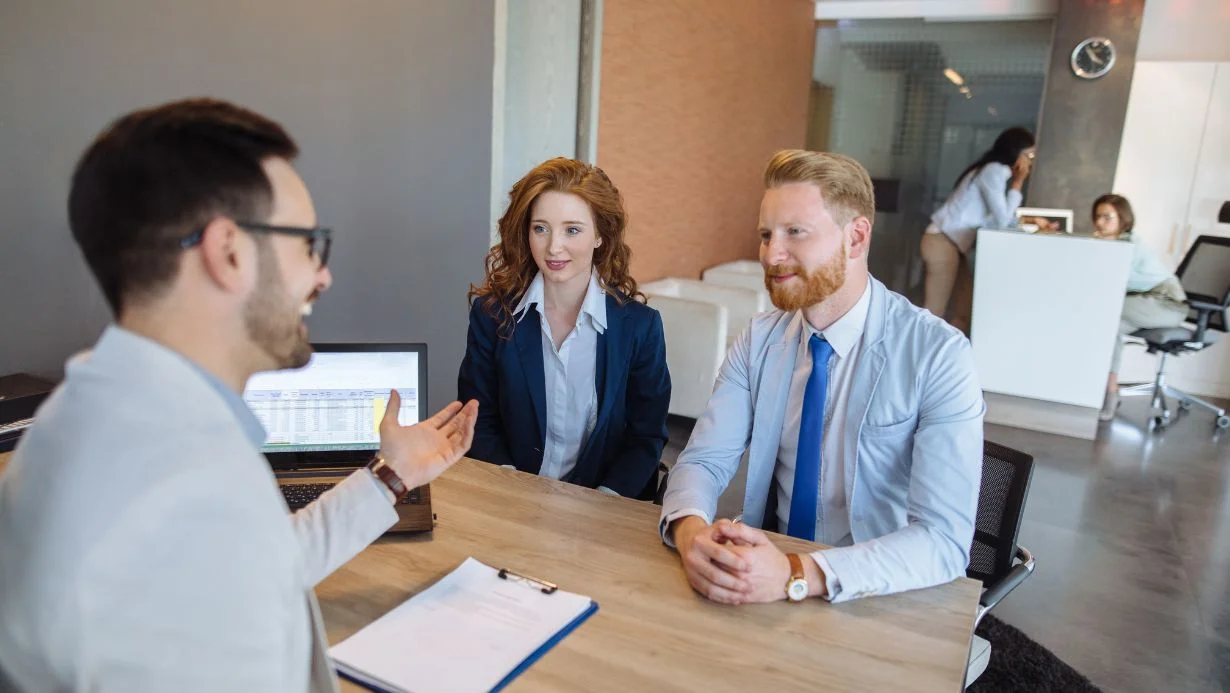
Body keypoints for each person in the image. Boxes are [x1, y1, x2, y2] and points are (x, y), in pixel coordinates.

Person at [0, 99, 478, 692]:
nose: (321, 275)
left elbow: (255, 566)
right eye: (309, 244)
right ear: (229, 253)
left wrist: (391, 475)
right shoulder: (180, 487)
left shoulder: (93, 421)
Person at [660, 150, 984, 605]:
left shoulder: (938, 355)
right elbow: (703, 461)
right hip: (769, 579)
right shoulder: (758, 339)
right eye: (767, 234)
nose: (772, 254)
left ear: (855, 237)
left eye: (796, 232)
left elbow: (943, 539)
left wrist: (797, 573)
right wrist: (691, 532)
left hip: (876, 591)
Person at [458, 158, 670, 500]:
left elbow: (645, 438)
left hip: (605, 509)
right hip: (510, 500)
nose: (554, 247)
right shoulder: (492, 316)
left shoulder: (640, 328)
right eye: (540, 228)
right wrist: (513, 493)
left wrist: (604, 502)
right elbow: (478, 420)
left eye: (572, 230)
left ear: (601, 234)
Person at [920, 126, 1036, 334]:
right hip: (943, 241)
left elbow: (1003, 219)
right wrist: (1018, 184)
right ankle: (914, 361)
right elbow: (1002, 220)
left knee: (963, 309)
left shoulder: (991, 171)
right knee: (934, 312)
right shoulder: (994, 171)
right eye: (1029, 155)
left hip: (951, 245)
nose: (1030, 161)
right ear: (1016, 152)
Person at [1091, 194, 1188, 421]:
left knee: (1106, 316)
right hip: (1144, 302)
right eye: (1097, 217)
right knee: (1110, 330)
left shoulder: (1128, 245)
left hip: (1166, 304)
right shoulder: (1114, 244)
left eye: (1107, 217)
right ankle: (1108, 393)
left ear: (1123, 219)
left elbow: (1113, 280)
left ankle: (1107, 394)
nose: (1099, 223)